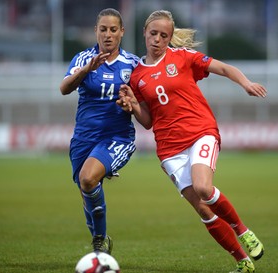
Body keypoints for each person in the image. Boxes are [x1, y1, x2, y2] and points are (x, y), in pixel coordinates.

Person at [117, 10, 266, 273]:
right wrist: (132, 107)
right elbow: (148, 121)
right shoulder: (137, 76)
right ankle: (243, 261)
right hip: (169, 149)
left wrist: (245, 82)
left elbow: (223, 67)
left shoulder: (183, 58)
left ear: (170, 38)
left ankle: (243, 230)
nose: (158, 39)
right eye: (154, 33)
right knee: (204, 211)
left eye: (164, 35)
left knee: (203, 188)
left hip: (200, 132)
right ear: (144, 33)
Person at [59, 8, 139, 254]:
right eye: (103, 29)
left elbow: (144, 105)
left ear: (122, 32)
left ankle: (99, 243)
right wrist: (86, 71)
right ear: (95, 31)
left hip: (116, 136)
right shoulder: (83, 59)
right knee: (87, 189)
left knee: (87, 177)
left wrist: (131, 103)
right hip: (83, 138)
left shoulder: (133, 64)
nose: (108, 34)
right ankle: (100, 240)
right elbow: (64, 88)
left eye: (113, 29)